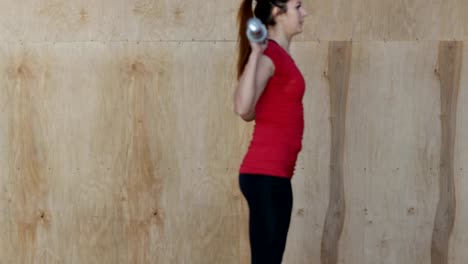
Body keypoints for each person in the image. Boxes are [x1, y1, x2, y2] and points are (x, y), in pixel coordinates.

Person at [233, 0, 308, 263]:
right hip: (266, 175)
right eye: (298, 6)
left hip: (272, 176)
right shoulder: (269, 56)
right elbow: (243, 108)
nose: (304, 13)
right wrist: (255, 54)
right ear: (278, 12)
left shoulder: (277, 56)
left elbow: (254, 110)